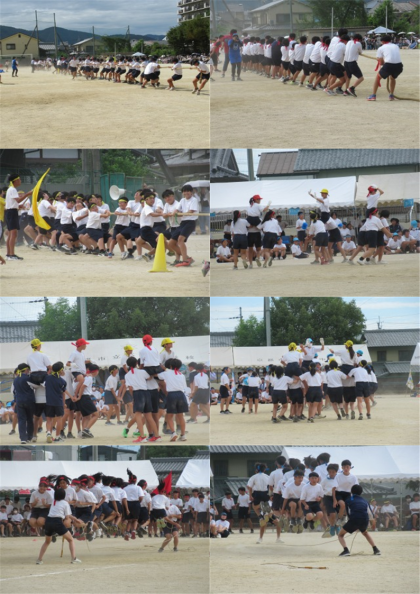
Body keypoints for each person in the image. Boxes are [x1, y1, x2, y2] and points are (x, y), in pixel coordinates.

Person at [36, 488, 81, 564]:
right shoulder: (65, 503)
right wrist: (75, 520)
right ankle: (74, 558)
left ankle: (39, 560)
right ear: (64, 496)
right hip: (57, 522)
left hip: (48, 521)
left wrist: (75, 519)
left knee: (47, 542)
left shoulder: (53, 501)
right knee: (70, 540)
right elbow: (67, 516)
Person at [337, 485, 381, 557]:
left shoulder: (348, 500)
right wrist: (372, 523)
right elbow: (370, 513)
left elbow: (349, 513)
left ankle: (346, 550)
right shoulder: (365, 500)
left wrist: (354, 525)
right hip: (364, 519)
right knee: (365, 533)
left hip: (354, 519)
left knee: (340, 535)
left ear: (351, 492)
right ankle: (376, 549)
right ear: (361, 492)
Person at [5, 173, 33, 260]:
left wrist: (18, 206)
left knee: (11, 234)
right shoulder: (12, 189)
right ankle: (11, 254)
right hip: (12, 212)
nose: (20, 181)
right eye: (19, 179)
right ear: (16, 180)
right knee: (13, 233)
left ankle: (9, 254)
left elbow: (14, 203)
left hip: (10, 211)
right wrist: (27, 194)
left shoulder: (10, 189)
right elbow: (18, 200)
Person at [368, 35, 404, 101]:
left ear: (382, 41)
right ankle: (391, 95)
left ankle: (373, 95)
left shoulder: (381, 48)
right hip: (399, 66)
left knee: (377, 78)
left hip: (389, 65)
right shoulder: (396, 46)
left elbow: (381, 62)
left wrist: (380, 60)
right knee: (392, 78)